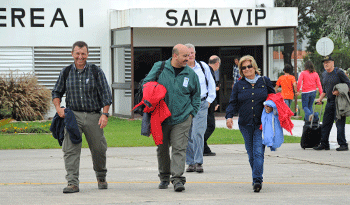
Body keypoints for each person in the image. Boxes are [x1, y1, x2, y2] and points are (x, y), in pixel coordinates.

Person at [51, 41, 112, 193]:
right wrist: (58, 108)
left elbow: (106, 94)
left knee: (99, 149)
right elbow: (56, 92)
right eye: (77, 53)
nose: (80, 57)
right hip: (73, 116)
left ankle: (101, 176)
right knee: (70, 149)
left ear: (87, 54)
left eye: (83, 53)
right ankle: (72, 182)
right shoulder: (66, 72)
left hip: (93, 116)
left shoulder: (96, 71)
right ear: (72, 54)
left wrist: (105, 114)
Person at [142, 44, 201, 192]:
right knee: (162, 149)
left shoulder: (191, 74)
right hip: (160, 118)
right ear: (175, 56)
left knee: (179, 148)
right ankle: (164, 177)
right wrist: (153, 92)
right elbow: (145, 84)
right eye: (185, 56)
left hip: (182, 117)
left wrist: (191, 113)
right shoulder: (160, 67)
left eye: (189, 56)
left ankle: (178, 179)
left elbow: (196, 95)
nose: (188, 59)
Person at [226, 55, 275, 192]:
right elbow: (233, 103)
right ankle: (256, 176)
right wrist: (229, 117)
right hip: (245, 124)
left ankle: (257, 180)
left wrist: (271, 106)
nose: (247, 69)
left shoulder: (264, 81)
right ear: (241, 70)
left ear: (254, 66)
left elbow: (274, 97)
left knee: (258, 153)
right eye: (243, 67)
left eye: (249, 66)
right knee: (251, 154)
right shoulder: (238, 85)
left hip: (261, 124)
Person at [185, 43, 216, 173]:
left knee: (198, 132)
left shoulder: (203, 67)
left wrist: (209, 101)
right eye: (187, 54)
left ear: (195, 53)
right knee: (187, 133)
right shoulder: (181, 68)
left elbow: (211, 84)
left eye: (192, 53)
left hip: (201, 103)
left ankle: (198, 162)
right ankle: (190, 162)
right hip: (186, 105)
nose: (190, 55)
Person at [314, 55, 350, 151]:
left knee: (339, 124)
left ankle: (343, 144)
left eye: (328, 62)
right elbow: (325, 90)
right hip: (329, 102)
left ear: (333, 63)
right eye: (324, 62)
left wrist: (340, 91)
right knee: (326, 123)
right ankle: (324, 144)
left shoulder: (339, 72)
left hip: (339, 103)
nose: (326, 64)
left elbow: (348, 85)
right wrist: (320, 99)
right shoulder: (324, 74)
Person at [203, 55, 221, 156]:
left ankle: (204, 147)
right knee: (210, 126)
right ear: (217, 63)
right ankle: (200, 145)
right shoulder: (209, 71)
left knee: (206, 126)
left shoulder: (206, 70)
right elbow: (209, 89)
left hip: (207, 102)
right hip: (207, 103)